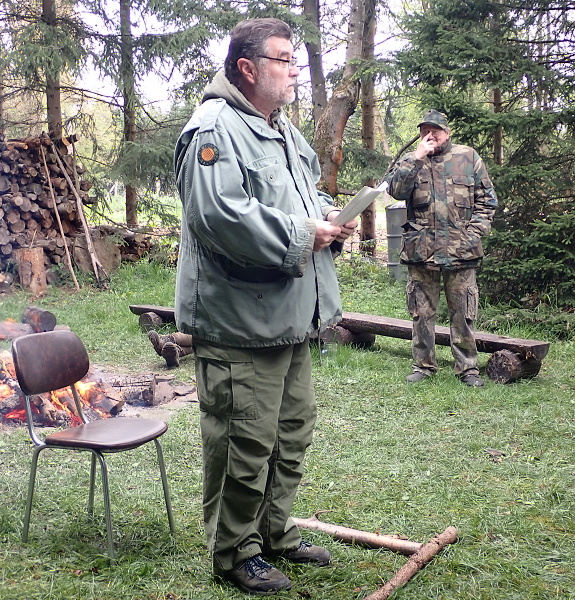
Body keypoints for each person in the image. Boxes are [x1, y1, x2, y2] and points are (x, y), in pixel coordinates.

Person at [173, 18, 357, 595]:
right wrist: (305, 234)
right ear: (247, 68)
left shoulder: (279, 130)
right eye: (283, 59)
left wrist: (331, 216)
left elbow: (306, 194)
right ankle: (234, 553)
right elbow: (219, 215)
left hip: (289, 317)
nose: (294, 69)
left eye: (295, 59)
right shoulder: (214, 128)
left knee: (290, 433)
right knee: (243, 441)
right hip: (239, 320)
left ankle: (273, 534)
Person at [384, 109, 497, 388]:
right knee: (421, 312)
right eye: (425, 130)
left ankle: (467, 368)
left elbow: (487, 201)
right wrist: (417, 157)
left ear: (447, 132)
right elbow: (396, 191)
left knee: (463, 312)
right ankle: (423, 365)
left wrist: (473, 236)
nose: (430, 135)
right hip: (421, 250)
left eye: (436, 130)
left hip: (462, 251)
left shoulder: (468, 157)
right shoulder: (410, 160)